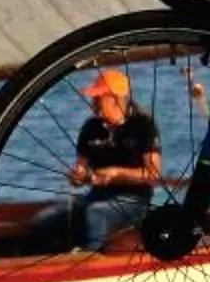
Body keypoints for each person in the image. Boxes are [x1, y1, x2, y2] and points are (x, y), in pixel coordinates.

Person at [30, 68, 162, 252]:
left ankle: (89, 258)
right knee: (45, 220)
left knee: (95, 213)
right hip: (96, 196)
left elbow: (152, 174)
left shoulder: (143, 126)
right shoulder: (91, 128)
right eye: (95, 99)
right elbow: (81, 169)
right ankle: (54, 259)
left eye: (99, 99)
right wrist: (77, 176)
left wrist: (116, 174)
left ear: (115, 99)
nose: (94, 103)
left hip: (134, 201)